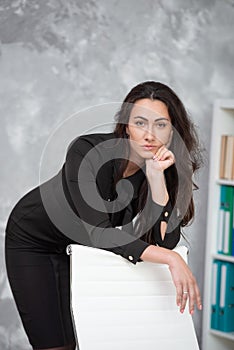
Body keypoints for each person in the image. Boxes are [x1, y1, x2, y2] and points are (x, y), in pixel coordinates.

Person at [5, 81, 203, 350]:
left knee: (83, 339)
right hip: (33, 240)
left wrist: (157, 180)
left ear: (172, 132)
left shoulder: (163, 168)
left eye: (160, 124)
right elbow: (98, 233)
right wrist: (171, 260)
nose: (149, 135)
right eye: (140, 123)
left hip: (79, 248)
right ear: (125, 126)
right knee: (54, 344)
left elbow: (164, 241)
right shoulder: (86, 151)